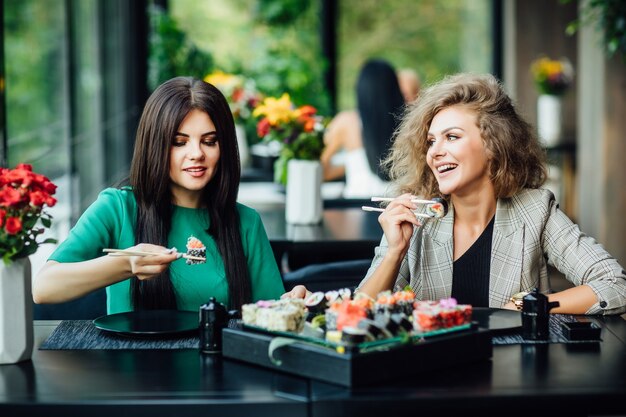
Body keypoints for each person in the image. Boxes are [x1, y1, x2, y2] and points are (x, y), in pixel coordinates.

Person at [350, 73, 626, 315]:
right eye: (431, 141)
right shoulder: (416, 217)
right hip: (434, 368)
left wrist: (529, 304)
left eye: (452, 137)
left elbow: (616, 285)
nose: (434, 151)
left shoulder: (535, 210)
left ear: (494, 144)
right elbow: (356, 313)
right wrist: (395, 252)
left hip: (512, 370)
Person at [33, 76, 285, 313]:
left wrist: (294, 303)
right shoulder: (118, 208)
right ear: (156, 145)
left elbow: (272, 314)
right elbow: (44, 287)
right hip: (135, 360)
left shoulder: (246, 222)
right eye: (179, 142)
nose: (197, 153)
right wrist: (127, 264)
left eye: (209, 141)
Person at [320, 59, 405, 198]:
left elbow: (319, 169)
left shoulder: (347, 122)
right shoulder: (410, 122)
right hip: (399, 208)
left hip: (357, 207)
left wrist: (353, 162)